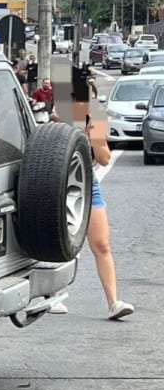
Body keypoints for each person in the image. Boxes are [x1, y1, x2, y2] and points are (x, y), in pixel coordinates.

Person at [51, 115, 134, 320]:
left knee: (102, 244)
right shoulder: (60, 114)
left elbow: (104, 158)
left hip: (87, 182)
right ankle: (51, 295)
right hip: (59, 181)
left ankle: (114, 303)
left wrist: (93, 134)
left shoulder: (96, 118)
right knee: (59, 241)